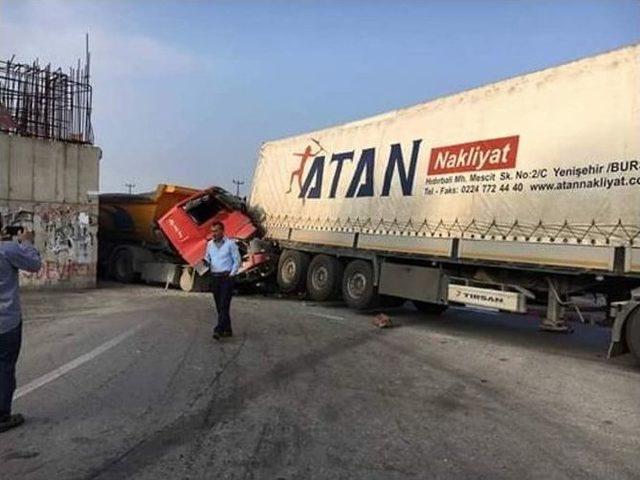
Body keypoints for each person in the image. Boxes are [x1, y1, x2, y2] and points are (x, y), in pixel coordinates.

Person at [0, 221, 41, 433]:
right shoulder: (8, 250)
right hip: (6, 322)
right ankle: (2, 416)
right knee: (5, 368)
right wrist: (27, 242)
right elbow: (34, 265)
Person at [205, 221, 241, 340]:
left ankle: (218, 329)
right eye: (212, 231)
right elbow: (208, 258)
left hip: (226, 278)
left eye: (216, 231)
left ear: (222, 231)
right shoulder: (210, 244)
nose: (213, 234)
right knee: (219, 305)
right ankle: (228, 329)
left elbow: (237, 260)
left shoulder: (230, 244)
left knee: (224, 304)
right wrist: (205, 263)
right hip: (215, 277)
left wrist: (232, 274)